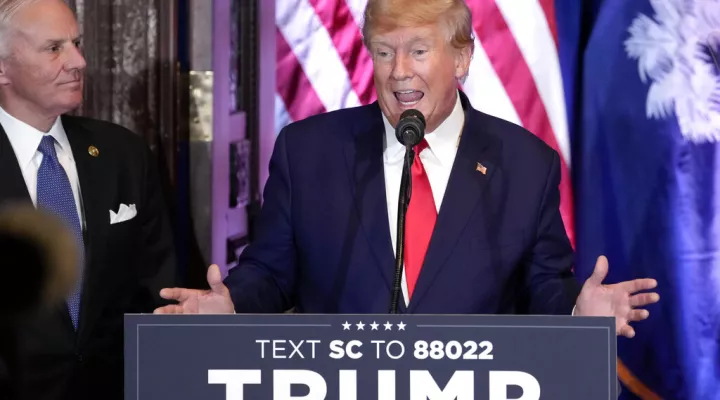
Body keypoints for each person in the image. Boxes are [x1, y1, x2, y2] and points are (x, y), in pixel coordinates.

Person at [156, 0, 659, 338]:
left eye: (418, 51)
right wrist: (233, 306)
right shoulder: (308, 152)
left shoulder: (526, 163)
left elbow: (542, 283)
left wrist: (577, 312)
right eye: (384, 52)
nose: (399, 72)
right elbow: (270, 272)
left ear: (462, 58)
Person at [0, 0, 176, 399]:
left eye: (77, 43)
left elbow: (159, 286)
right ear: (2, 67)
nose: (78, 60)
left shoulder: (123, 154)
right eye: (54, 48)